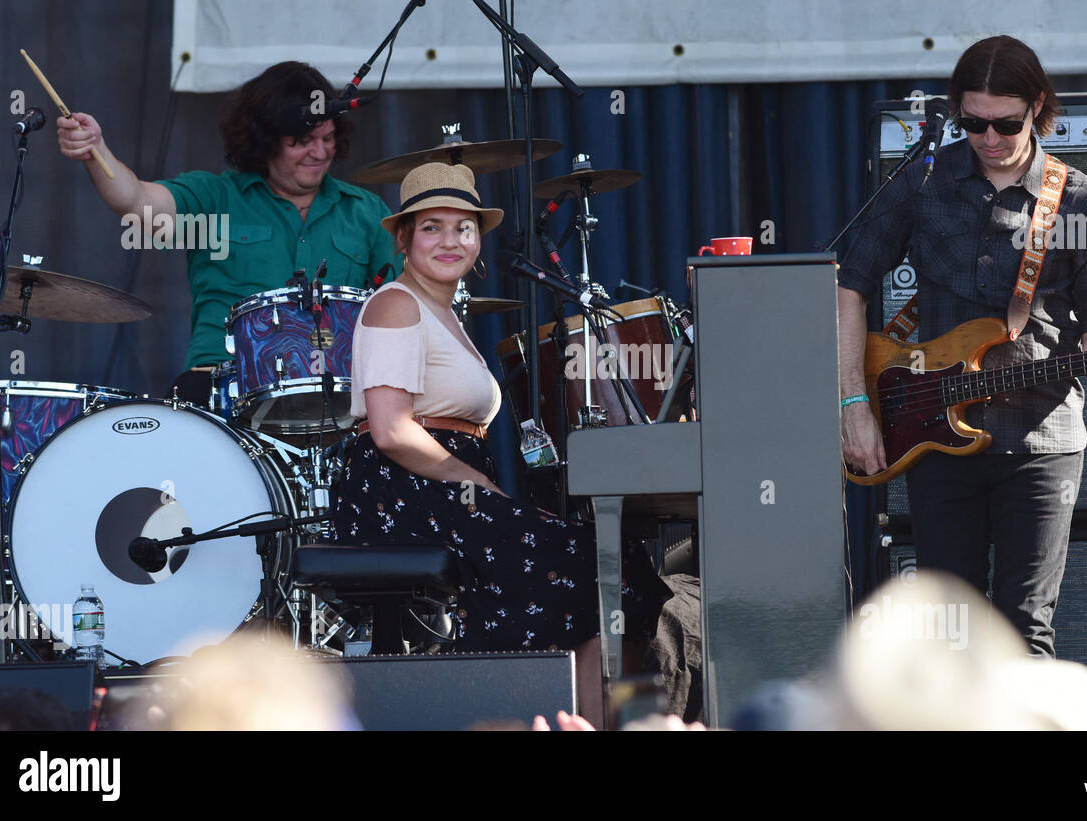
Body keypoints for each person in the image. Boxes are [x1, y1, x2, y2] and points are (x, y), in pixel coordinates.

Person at [329, 162, 663, 722]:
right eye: (431, 226)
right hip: (403, 493)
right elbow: (390, 429)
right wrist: (473, 479)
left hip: (441, 488)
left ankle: (584, 717)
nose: (449, 239)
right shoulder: (396, 303)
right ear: (404, 237)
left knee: (611, 563)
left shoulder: (444, 312)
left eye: (463, 227)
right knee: (590, 562)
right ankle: (509, 707)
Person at [838, 35, 1087, 657]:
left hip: (1042, 439)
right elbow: (849, 285)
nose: (990, 137)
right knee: (951, 639)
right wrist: (854, 405)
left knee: (1026, 633)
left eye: (1006, 123)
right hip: (935, 438)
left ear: (1038, 108)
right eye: (973, 122)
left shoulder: (1082, 198)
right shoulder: (921, 184)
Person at [56, 61, 400, 404]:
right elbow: (136, 202)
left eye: (328, 139)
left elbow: (401, 306)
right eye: (302, 141)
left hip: (338, 389)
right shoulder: (215, 198)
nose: (320, 152)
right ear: (265, 140)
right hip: (224, 387)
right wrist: (95, 150)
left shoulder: (366, 212)